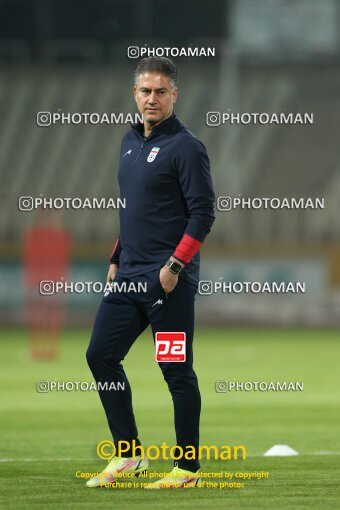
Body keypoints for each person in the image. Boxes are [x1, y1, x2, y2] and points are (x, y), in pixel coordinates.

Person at [86, 56, 215, 489]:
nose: (152, 98)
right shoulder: (128, 141)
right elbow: (134, 211)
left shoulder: (187, 147)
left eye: (161, 91)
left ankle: (187, 468)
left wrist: (175, 267)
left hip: (167, 282)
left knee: (176, 371)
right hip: (128, 279)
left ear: (175, 95)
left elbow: (202, 213)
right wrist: (116, 255)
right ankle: (128, 455)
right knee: (100, 356)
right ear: (135, 94)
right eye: (145, 91)